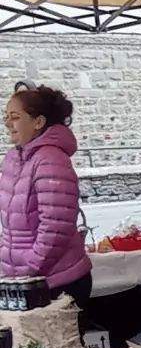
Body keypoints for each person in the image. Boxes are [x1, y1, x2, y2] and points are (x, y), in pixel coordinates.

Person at [0, 82, 91, 306]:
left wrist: (30, 266)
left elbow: (55, 226)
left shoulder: (51, 159)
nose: (7, 123)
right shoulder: (13, 159)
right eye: (6, 116)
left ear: (38, 122)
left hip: (56, 281)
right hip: (24, 281)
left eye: (15, 117)